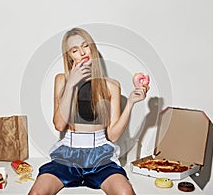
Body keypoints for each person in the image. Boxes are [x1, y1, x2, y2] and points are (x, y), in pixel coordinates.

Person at [28, 27, 149, 195]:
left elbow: (113, 136)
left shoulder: (111, 85)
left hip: (101, 156)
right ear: (69, 57)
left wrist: (130, 103)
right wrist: (72, 83)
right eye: (75, 50)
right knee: (36, 193)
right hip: (67, 155)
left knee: (126, 193)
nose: (82, 52)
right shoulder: (62, 80)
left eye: (85, 46)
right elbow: (59, 124)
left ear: (92, 48)